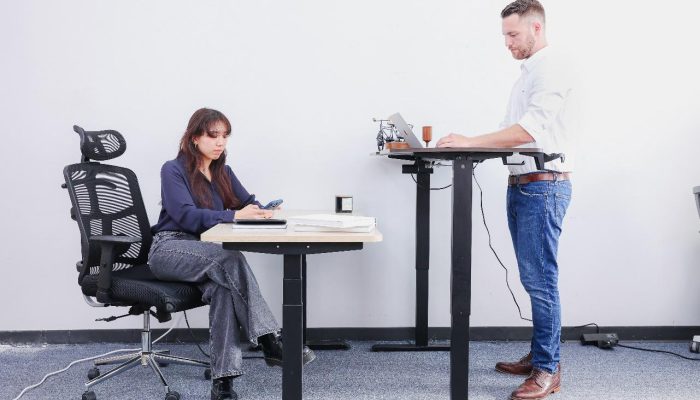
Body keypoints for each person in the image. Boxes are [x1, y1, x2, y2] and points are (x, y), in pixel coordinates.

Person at [436, 1, 573, 399]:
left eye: (513, 35)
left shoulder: (552, 68)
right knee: (534, 279)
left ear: (536, 28)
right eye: (505, 36)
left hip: (543, 186)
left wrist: (469, 142)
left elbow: (527, 131)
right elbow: (507, 130)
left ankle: (548, 370)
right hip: (524, 184)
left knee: (541, 280)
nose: (508, 44)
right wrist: (467, 143)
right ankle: (540, 354)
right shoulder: (528, 75)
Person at [148, 108, 316, 400]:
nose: (220, 142)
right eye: (213, 135)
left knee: (223, 292)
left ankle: (222, 384)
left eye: (225, 136)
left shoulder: (222, 171)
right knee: (231, 258)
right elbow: (187, 217)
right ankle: (269, 341)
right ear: (194, 137)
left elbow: (247, 202)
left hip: (204, 255)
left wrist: (263, 211)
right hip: (169, 248)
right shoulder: (172, 169)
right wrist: (234, 216)